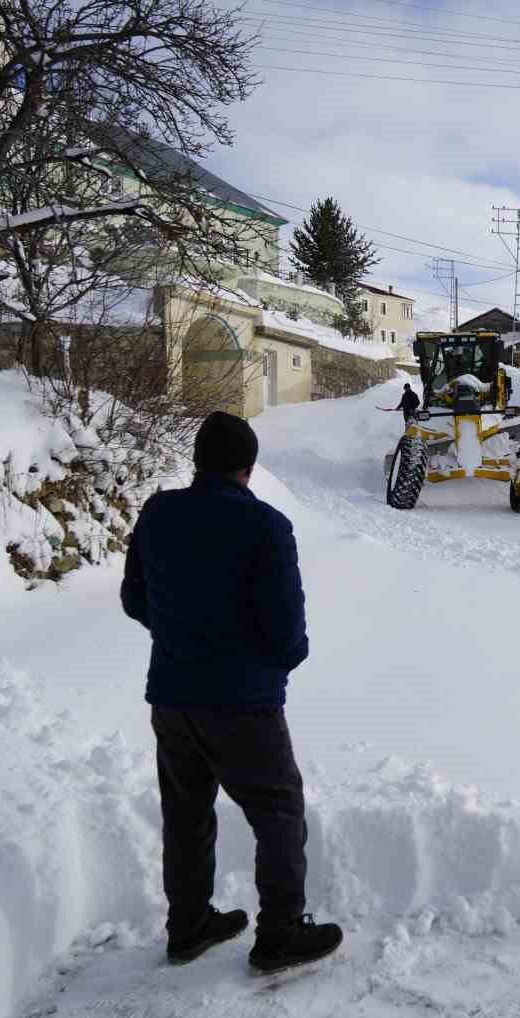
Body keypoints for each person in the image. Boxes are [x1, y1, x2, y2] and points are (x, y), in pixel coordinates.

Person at [121, 411, 343, 973]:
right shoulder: (266, 526)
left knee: (186, 814)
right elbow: (287, 631)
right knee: (279, 812)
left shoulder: (157, 513)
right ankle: (280, 935)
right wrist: (274, 662)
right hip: (244, 705)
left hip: (172, 697)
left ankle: (189, 927)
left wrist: (179, 637)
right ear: (248, 467)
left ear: (198, 462)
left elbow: (134, 600)